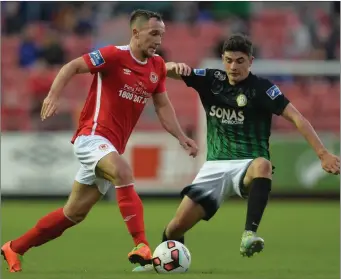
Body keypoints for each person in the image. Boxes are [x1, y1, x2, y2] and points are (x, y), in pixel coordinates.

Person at [1, 9, 198, 273]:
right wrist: (53, 95)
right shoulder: (113, 55)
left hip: (109, 147)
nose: (158, 40)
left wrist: (181, 136)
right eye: (153, 34)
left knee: (73, 214)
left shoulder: (157, 67)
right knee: (123, 171)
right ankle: (141, 244)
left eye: (161, 35)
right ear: (136, 33)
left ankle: (14, 247)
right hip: (91, 137)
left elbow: (162, 106)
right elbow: (72, 66)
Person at [133, 33, 340, 272]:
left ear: (250, 61)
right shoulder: (211, 79)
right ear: (222, 59)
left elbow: (297, 118)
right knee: (175, 228)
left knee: (263, 165)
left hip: (247, 163)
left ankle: (249, 234)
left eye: (240, 61)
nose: (233, 66)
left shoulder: (263, 89)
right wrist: (172, 66)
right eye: (229, 60)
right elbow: (165, 70)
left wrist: (323, 153)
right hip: (215, 167)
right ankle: (162, 264)